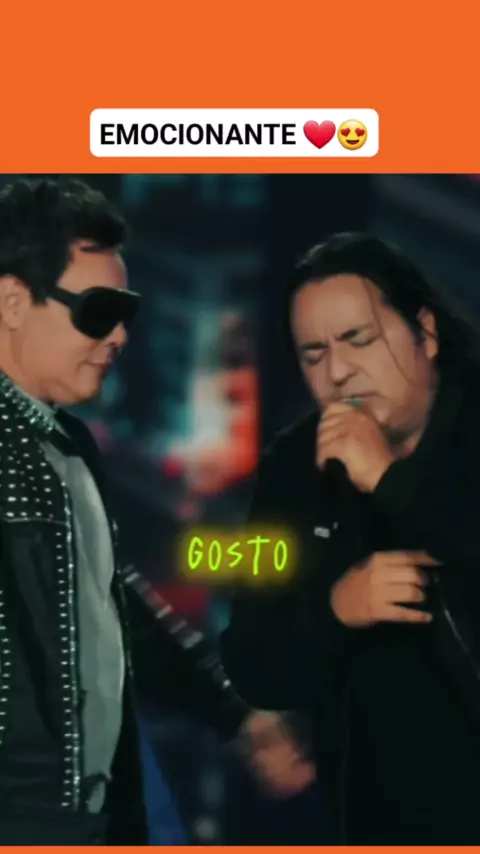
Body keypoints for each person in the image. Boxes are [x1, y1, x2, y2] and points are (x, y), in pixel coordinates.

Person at [0, 177, 313, 844]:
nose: (118, 336)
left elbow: (111, 605)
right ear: (14, 302)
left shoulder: (65, 447)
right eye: (97, 311)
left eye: (126, 314)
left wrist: (232, 713)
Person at [221, 231, 480, 845]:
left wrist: (391, 482)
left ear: (425, 332)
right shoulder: (292, 466)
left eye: (359, 340)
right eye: (314, 354)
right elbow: (250, 659)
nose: (338, 373)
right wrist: (335, 610)